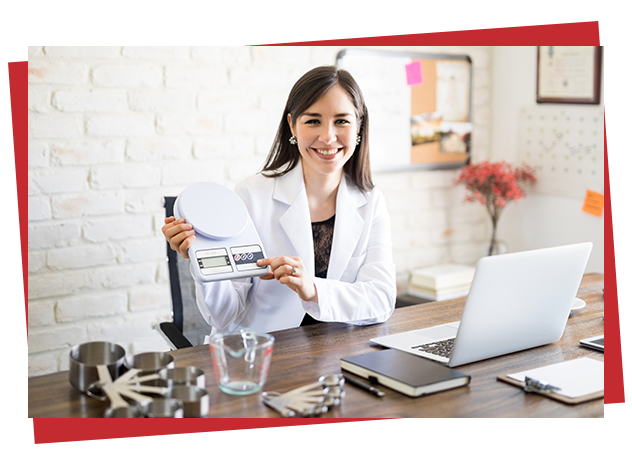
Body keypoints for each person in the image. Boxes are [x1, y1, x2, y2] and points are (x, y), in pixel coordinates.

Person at [162, 65, 396, 334]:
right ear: (292, 126)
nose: (328, 136)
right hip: (261, 354)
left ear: (359, 126)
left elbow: (381, 299)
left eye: (341, 121)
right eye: (313, 121)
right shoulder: (252, 195)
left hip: (336, 355)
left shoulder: (371, 202)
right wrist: (202, 258)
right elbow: (223, 315)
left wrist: (313, 290)